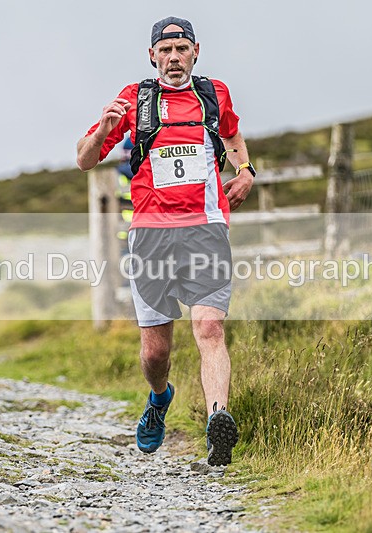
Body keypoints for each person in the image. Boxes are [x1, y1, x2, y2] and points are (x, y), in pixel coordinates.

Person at [76, 16, 256, 466]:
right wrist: (102, 130)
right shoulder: (134, 99)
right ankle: (159, 399)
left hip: (206, 229)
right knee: (156, 352)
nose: (174, 58)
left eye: (182, 49)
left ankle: (218, 422)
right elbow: (83, 160)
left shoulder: (214, 94)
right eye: (165, 50)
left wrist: (246, 171)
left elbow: (231, 133)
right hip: (151, 236)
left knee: (209, 327)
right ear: (152, 55)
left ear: (196, 51)